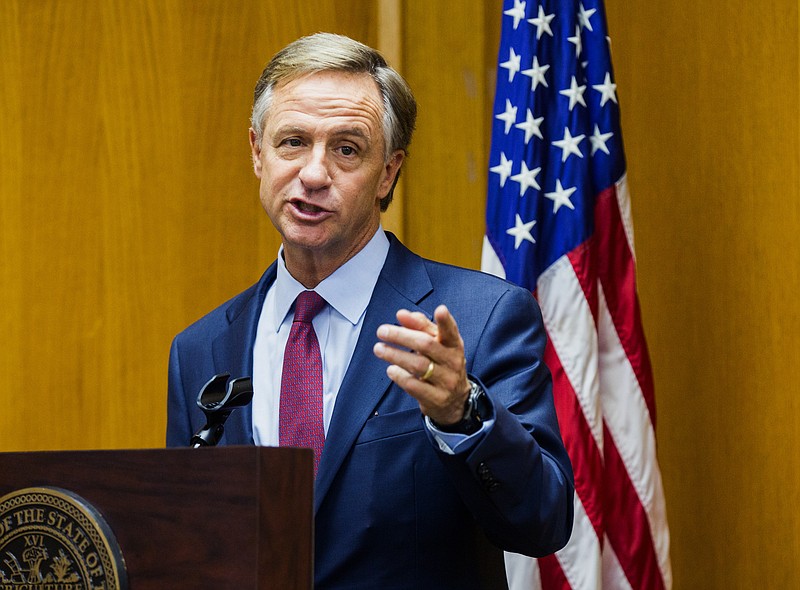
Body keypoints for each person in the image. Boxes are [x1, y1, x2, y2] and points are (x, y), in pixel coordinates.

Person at [167, 32, 573, 589]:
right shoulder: (200, 349)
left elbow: (543, 522)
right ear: (257, 154)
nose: (313, 174)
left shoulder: (484, 318)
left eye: (347, 149)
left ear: (388, 172)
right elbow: (187, 546)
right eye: (292, 143)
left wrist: (463, 412)